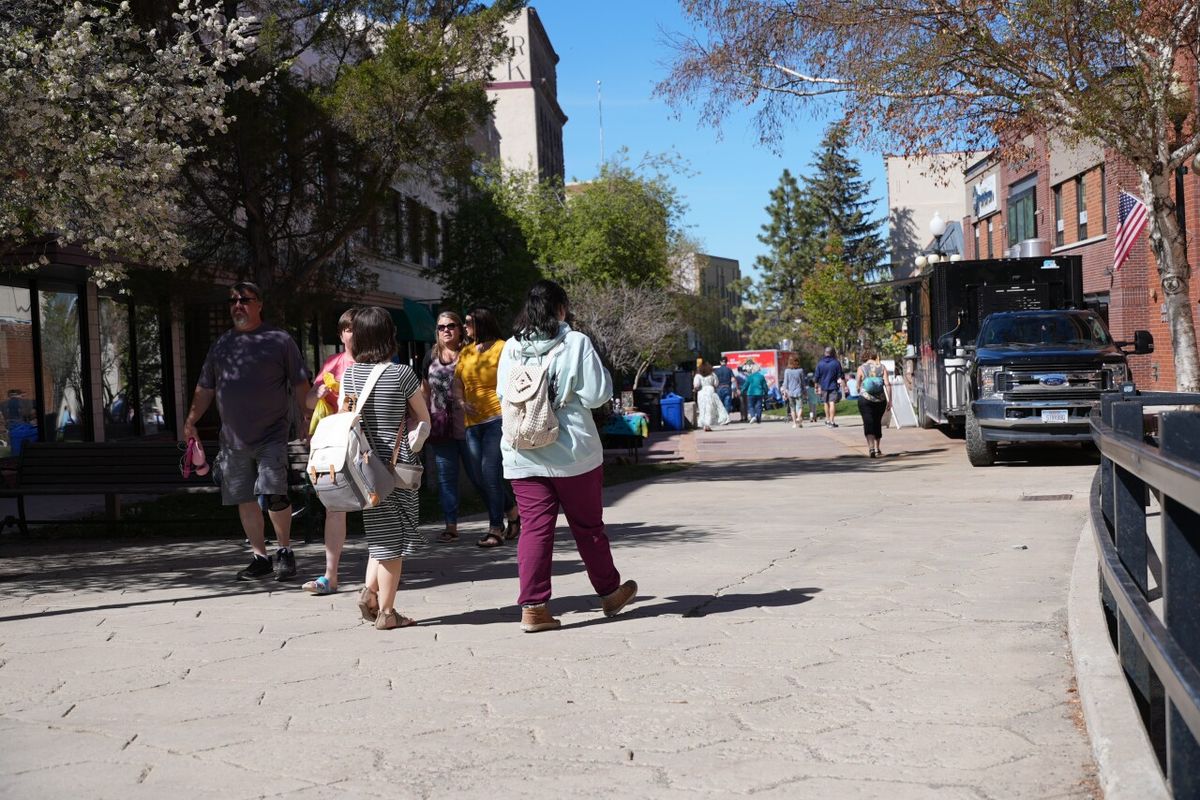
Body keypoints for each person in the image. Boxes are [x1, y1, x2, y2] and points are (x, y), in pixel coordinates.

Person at [496, 280, 637, 633]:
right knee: (588, 528)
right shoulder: (575, 342)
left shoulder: (511, 347)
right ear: (561, 309)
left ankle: (534, 608)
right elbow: (597, 395)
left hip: (523, 452)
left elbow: (502, 394)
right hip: (573, 452)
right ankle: (609, 593)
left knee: (534, 530)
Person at [183, 282, 311, 582]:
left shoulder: (279, 340)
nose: (237, 305)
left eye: (244, 300)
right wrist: (191, 421)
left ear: (259, 304)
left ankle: (284, 551)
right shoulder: (222, 344)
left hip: (272, 434)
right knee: (245, 497)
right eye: (233, 301)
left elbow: (300, 383)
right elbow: (205, 387)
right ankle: (260, 557)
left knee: (274, 492)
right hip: (233, 439)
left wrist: (307, 417)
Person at [340, 306, 431, 630]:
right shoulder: (402, 374)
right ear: (389, 335)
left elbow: (345, 417)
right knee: (394, 543)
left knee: (381, 533)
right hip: (396, 467)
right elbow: (423, 418)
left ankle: (369, 593)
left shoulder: (349, 375)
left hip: (363, 468)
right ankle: (388, 613)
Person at [300, 307, 358, 595]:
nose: (353, 333)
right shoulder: (333, 363)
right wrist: (319, 393)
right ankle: (329, 576)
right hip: (338, 444)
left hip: (369, 443)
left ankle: (386, 571)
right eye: (348, 329)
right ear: (341, 334)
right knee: (334, 508)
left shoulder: (377, 363)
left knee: (380, 510)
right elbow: (309, 402)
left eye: (358, 328)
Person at [456, 307, 520, 548]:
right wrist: (461, 403)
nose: (464, 327)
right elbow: (458, 383)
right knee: (478, 477)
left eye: (468, 322)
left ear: (482, 323)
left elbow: (514, 380)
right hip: (472, 423)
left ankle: (496, 528)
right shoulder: (466, 351)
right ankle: (512, 511)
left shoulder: (503, 347)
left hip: (497, 419)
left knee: (490, 472)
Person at [422, 311, 483, 543]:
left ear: (459, 329)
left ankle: (506, 513)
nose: (446, 330)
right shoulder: (430, 356)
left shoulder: (470, 353)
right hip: (440, 427)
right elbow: (425, 390)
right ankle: (451, 526)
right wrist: (422, 419)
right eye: (441, 327)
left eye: (451, 326)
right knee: (446, 478)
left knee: (479, 475)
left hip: (469, 425)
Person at [856, 350, 892, 458]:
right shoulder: (882, 367)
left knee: (868, 422)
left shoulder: (861, 368)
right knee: (877, 422)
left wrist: (859, 389)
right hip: (880, 400)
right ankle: (877, 448)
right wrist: (890, 400)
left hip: (865, 399)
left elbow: (857, 385)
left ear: (864, 357)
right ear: (875, 356)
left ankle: (871, 448)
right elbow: (887, 384)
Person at [813, 346, 846, 428]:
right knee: (832, 402)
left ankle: (827, 420)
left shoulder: (820, 363)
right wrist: (844, 384)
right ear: (833, 353)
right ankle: (832, 421)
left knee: (825, 402)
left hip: (823, 386)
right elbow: (841, 375)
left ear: (825, 353)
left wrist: (816, 386)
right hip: (833, 385)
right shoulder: (836, 363)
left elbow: (816, 376)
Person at [692, 361, 729, 431]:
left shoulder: (698, 376)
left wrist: (695, 389)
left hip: (702, 392)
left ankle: (705, 425)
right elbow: (716, 383)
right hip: (711, 391)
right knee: (711, 409)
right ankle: (708, 424)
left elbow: (696, 385)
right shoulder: (712, 375)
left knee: (703, 409)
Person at [781, 355, 807, 428]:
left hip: (790, 392)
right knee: (800, 407)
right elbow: (803, 382)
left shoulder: (787, 371)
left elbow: (785, 383)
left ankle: (795, 423)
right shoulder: (800, 370)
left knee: (792, 408)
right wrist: (805, 391)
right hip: (799, 391)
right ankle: (798, 418)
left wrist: (784, 393)